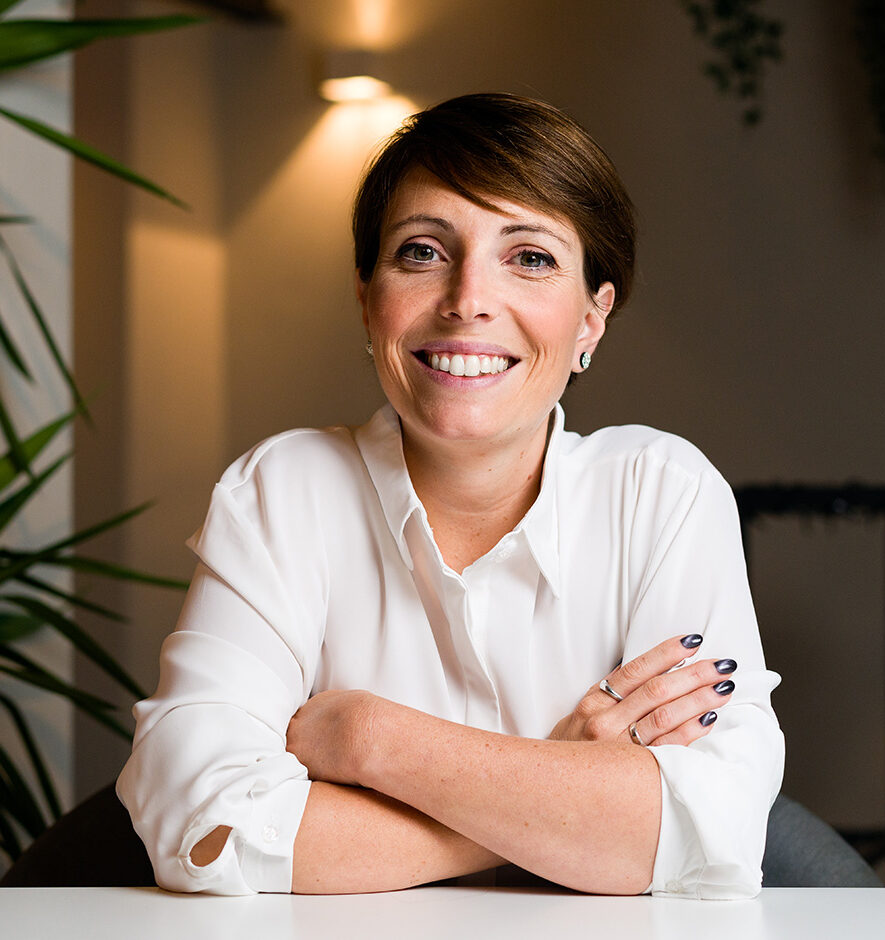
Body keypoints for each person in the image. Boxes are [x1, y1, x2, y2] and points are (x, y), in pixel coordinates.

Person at [117, 93, 784, 899]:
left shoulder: (661, 493)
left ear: (591, 320)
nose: (467, 299)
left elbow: (714, 832)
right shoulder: (281, 491)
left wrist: (368, 738)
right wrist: (567, 795)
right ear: (366, 297)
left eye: (529, 257)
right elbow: (206, 831)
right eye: (423, 252)